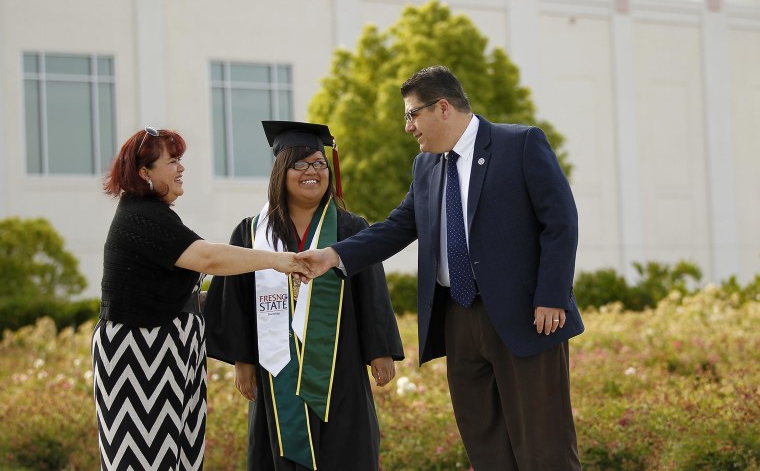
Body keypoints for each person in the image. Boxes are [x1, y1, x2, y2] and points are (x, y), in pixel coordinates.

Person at [298, 66, 584, 470]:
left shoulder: (519, 143)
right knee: (485, 446)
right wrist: (334, 255)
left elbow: (560, 221)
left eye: (412, 114)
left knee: (544, 449)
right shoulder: (426, 167)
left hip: (529, 319)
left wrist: (552, 296)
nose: (408, 127)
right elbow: (399, 226)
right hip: (457, 318)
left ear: (443, 108)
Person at [92, 127, 311, 471]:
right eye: (173, 160)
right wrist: (277, 261)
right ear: (143, 172)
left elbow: (181, 293)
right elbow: (208, 258)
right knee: (145, 460)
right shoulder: (141, 216)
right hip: (140, 359)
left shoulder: (155, 215)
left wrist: (261, 292)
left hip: (169, 354)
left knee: (178, 458)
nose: (181, 168)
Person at [203, 121, 404, 471]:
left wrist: (380, 350)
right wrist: (243, 360)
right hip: (275, 369)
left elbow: (371, 291)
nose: (312, 172)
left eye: (319, 164)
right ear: (281, 171)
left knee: (344, 452)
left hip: (339, 368)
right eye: (300, 164)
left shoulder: (349, 228)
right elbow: (235, 300)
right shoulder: (252, 232)